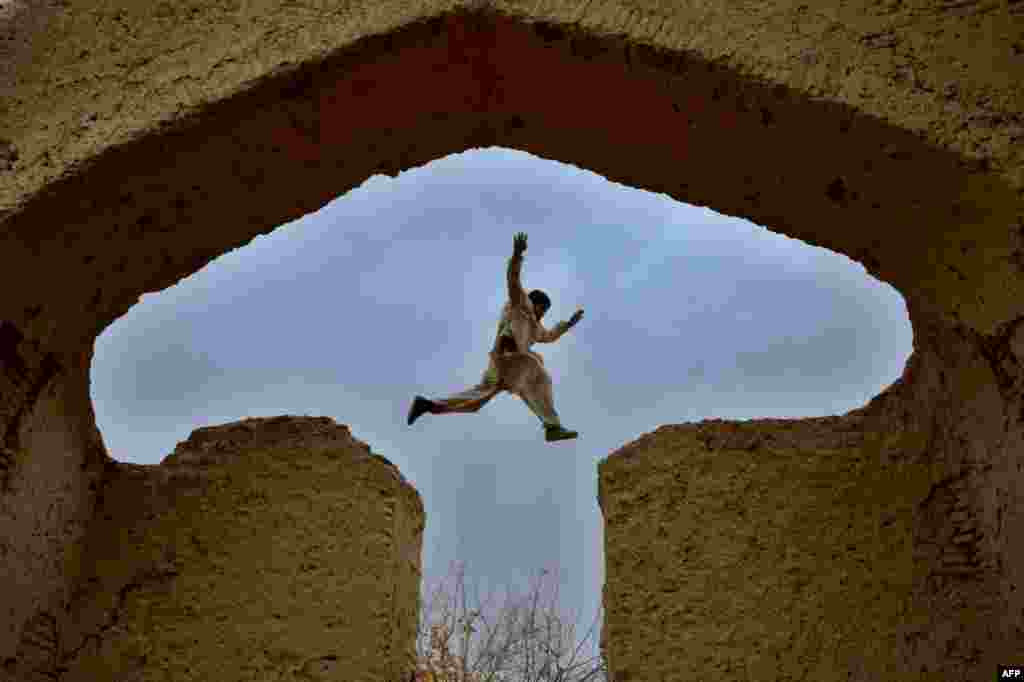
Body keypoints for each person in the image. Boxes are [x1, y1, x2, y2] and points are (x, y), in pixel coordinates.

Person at [406, 232, 584, 442]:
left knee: (476, 401)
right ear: (534, 303)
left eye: (544, 312)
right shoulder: (521, 304)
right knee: (538, 371)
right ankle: (552, 426)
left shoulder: (536, 328)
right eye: (542, 309)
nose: (542, 314)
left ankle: (428, 405)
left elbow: (551, 336)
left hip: (500, 368)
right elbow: (513, 280)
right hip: (507, 356)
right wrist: (517, 255)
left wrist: (569, 325)